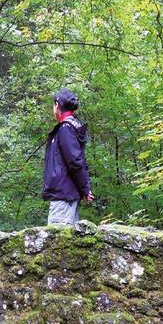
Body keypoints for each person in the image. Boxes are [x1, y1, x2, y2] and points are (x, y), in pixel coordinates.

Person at [42, 88, 94, 226]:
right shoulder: (71, 127)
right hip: (67, 194)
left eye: (53, 105)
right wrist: (84, 188)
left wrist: (85, 189)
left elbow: (75, 161)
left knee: (56, 241)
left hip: (63, 195)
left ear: (57, 105)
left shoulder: (65, 129)